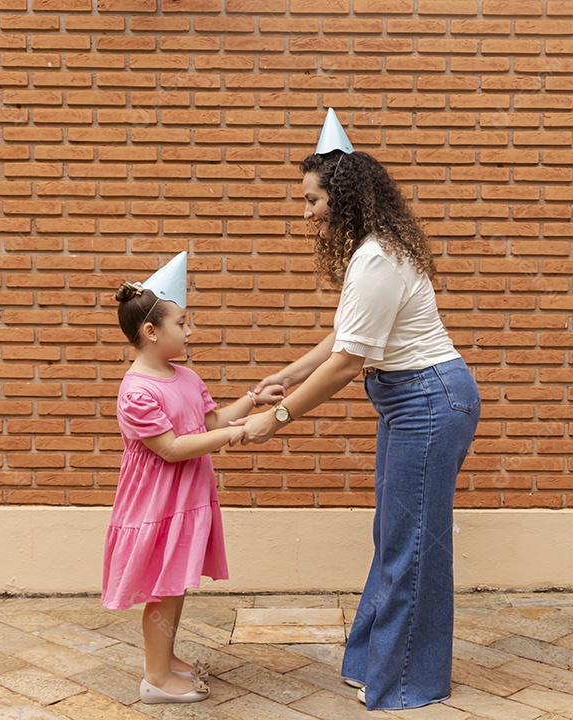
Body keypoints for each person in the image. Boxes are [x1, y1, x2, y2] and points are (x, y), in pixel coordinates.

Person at [236, 109, 481, 711]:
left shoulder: (376, 257)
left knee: (413, 542)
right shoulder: (376, 252)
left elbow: (348, 364)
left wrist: (279, 418)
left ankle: (406, 681)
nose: (306, 213)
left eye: (311, 200)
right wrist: (288, 374)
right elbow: (347, 336)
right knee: (396, 535)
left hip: (427, 400)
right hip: (413, 401)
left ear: (341, 198)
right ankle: (376, 661)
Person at [102, 251, 285, 705]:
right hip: (158, 504)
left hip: (186, 499)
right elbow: (170, 448)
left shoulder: (183, 376)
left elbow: (209, 421)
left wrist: (253, 400)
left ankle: (165, 658)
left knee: (176, 583)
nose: (190, 331)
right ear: (151, 331)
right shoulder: (137, 391)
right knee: (161, 589)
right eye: (182, 323)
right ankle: (155, 678)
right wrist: (236, 433)